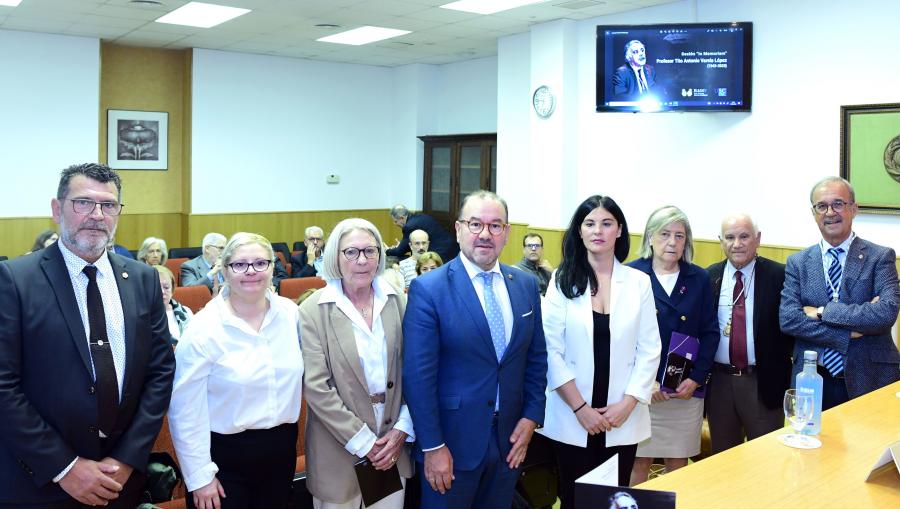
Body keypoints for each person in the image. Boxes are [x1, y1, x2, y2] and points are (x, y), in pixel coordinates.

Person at [0, 163, 175, 508]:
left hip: (119, 481)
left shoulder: (143, 279)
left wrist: (127, 459)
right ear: (56, 208)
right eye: (83, 202)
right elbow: (3, 384)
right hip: (39, 484)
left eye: (108, 205)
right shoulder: (15, 280)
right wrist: (64, 468)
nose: (97, 215)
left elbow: (160, 373)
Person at [403, 190, 548, 509]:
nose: (485, 234)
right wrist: (433, 445)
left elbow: (536, 358)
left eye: (496, 226)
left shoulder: (523, 285)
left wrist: (532, 417)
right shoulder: (429, 289)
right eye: (475, 224)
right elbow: (417, 377)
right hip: (451, 447)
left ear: (507, 233)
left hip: (510, 441)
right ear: (458, 229)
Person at [539, 196, 660, 508]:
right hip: (572, 414)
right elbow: (551, 350)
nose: (598, 231)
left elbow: (650, 348)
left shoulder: (638, 283)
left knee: (613, 501)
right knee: (574, 499)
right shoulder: (561, 280)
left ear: (619, 230)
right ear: (579, 231)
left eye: (607, 223)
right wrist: (581, 409)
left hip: (622, 415)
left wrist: (629, 402)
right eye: (589, 224)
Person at [168, 232, 303, 509]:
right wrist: (200, 476)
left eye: (260, 263)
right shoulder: (204, 328)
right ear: (225, 270)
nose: (251, 272)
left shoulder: (291, 315)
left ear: (271, 268)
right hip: (224, 460)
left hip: (281, 451)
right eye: (240, 265)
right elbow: (184, 409)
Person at [300, 218, 414, 509]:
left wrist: (402, 429)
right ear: (336, 257)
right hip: (337, 450)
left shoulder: (397, 301)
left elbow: (414, 372)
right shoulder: (313, 311)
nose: (362, 260)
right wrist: (364, 442)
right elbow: (316, 387)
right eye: (351, 252)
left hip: (392, 447)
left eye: (370, 251)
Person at [779, 176, 899, 410]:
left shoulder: (880, 257)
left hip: (869, 377)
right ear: (813, 213)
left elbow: (885, 313)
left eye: (838, 204)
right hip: (812, 378)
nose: (829, 212)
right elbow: (789, 320)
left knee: (869, 446)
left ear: (854, 209)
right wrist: (846, 334)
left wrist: (823, 312)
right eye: (821, 206)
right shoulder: (798, 263)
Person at [627, 205, 718, 484]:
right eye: (665, 234)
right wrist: (644, 382)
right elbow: (621, 337)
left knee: (678, 462)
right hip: (641, 392)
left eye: (680, 236)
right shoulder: (630, 275)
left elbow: (710, 332)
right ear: (650, 237)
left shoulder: (699, 278)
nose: (672, 242)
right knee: (638, 460)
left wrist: (696, 378)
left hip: (684, 391)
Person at [705, 214, 793, 453]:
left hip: (762, 382)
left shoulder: (780, 276)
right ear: (720, 241)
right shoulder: (709, 276)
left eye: (744, 236)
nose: (737, 244)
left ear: (758, 239)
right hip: (719, 383)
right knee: (723, 459)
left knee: (765, 459)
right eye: (730, 237)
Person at [387, 205, 459, 262]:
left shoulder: (409, 226)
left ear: (402, 218)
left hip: (442, 255)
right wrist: (401, 246)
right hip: (453, 249)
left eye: (396, 221)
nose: (395, 224)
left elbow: (400, 251)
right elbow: (409, 246)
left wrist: (387, 250)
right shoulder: (419, 216)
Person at [153, 265, 193, 346]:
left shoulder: (186, 311)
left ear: (172, 290)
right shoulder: (141, 317)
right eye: (156, 287)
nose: (162, 292)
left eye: (166, 287)